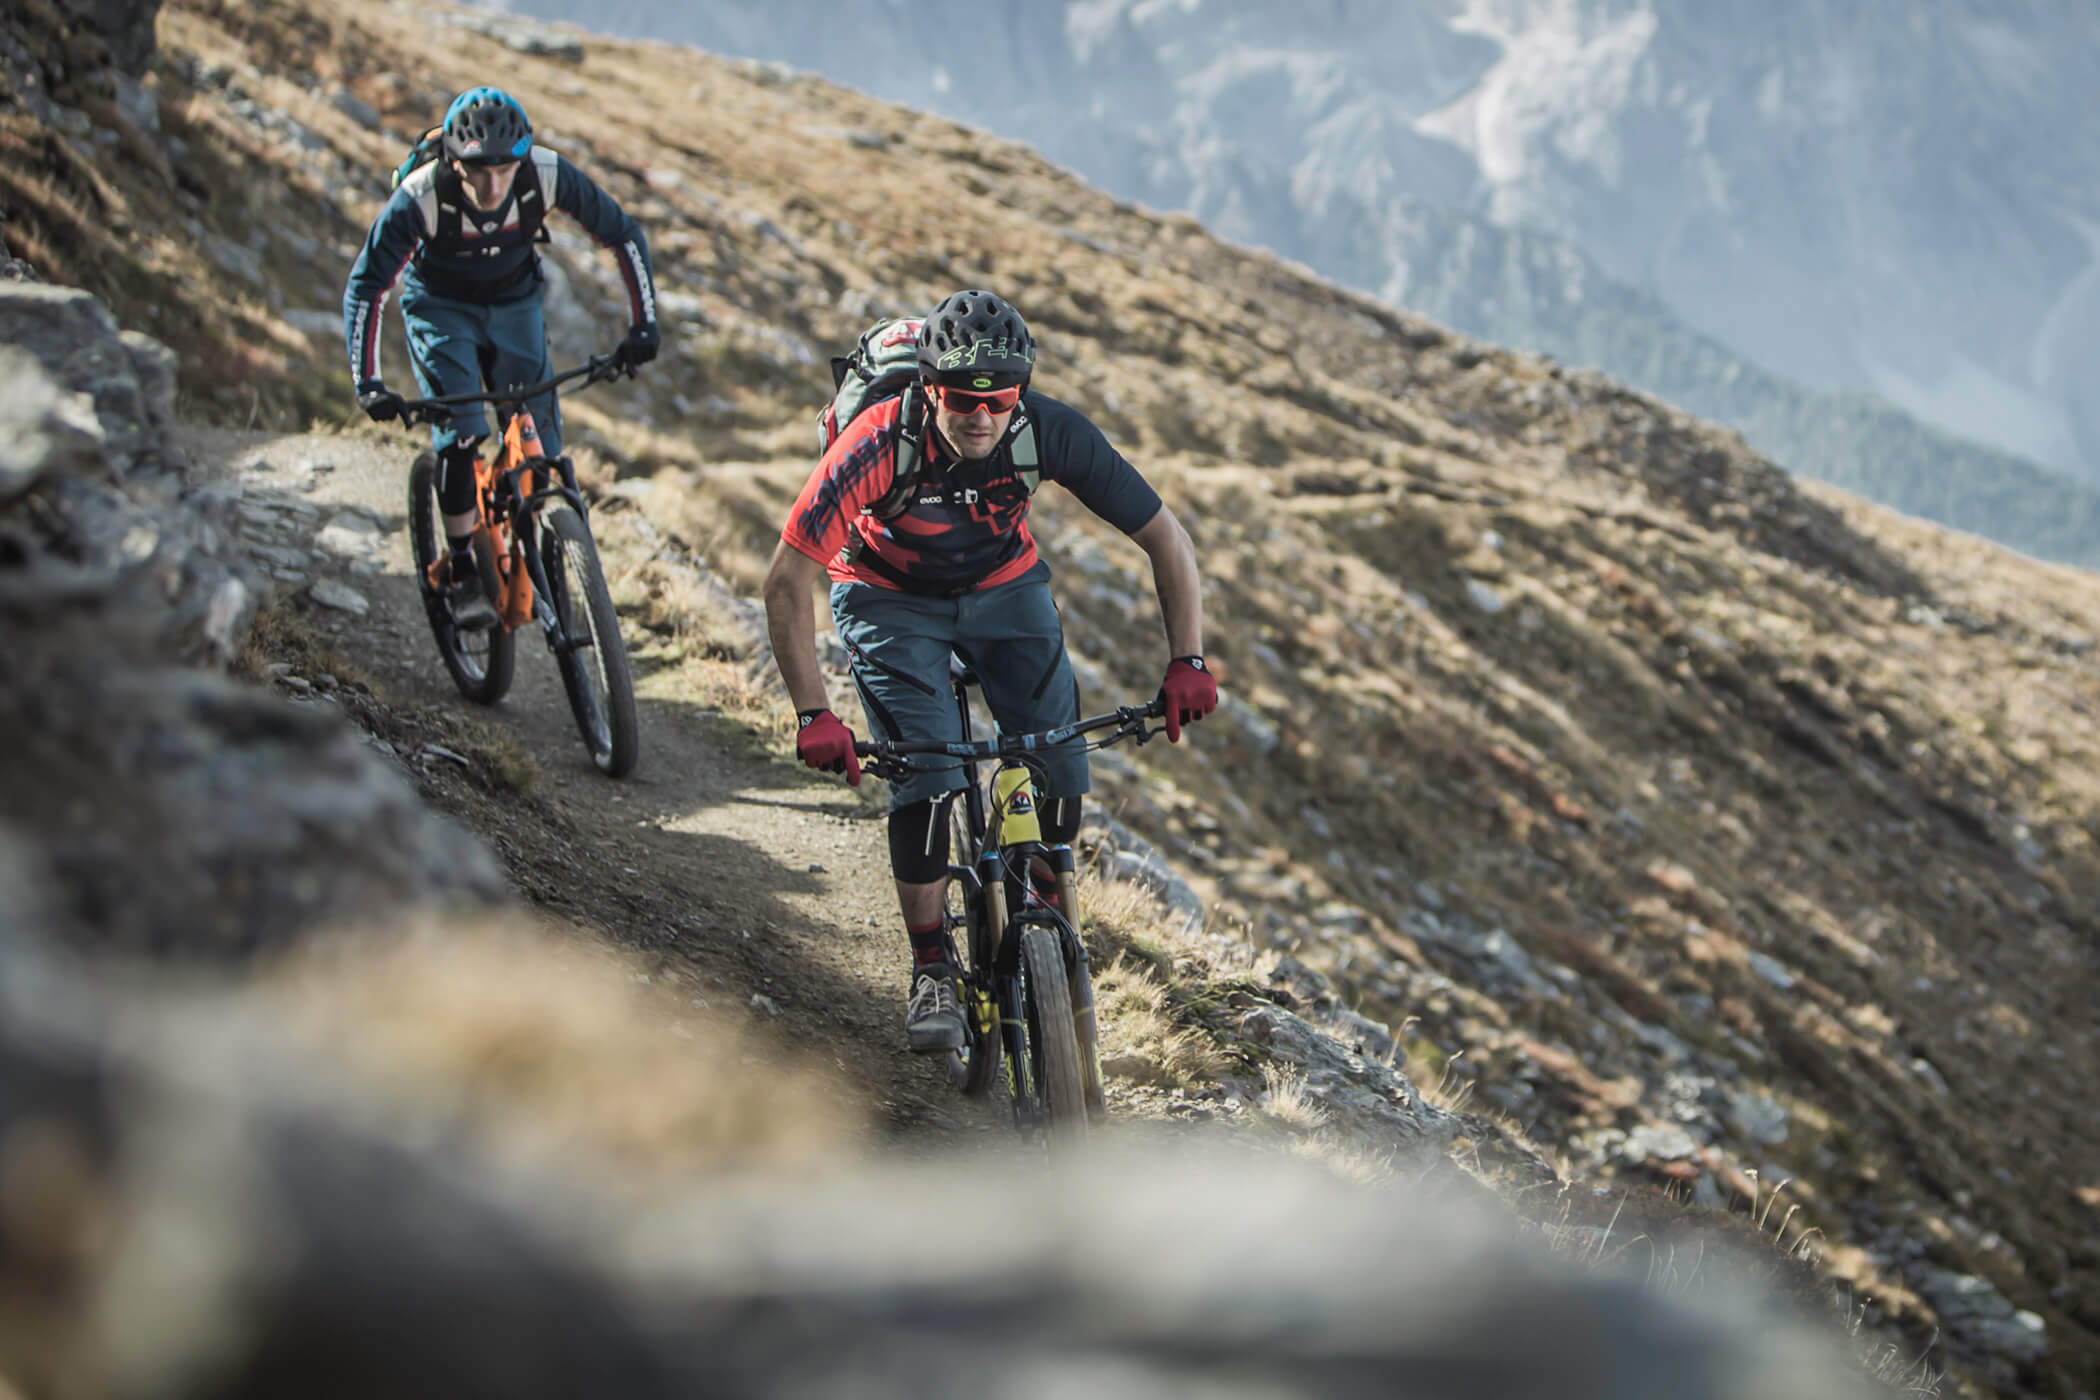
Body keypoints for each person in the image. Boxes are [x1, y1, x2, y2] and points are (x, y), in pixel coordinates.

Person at [762, 289, 1218, 1052]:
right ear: (928, 388)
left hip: (1003, 588)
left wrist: (1189, 660)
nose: (980, 416)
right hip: (885, 594)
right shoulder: (877, 443)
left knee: (1060, 767)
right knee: (932, 780)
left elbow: (1166, 538)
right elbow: (786, 578)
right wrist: (814, 713)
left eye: (998, 402)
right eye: (959, 399)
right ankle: (933, 962)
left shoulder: (1050, 431)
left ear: (1021, 395)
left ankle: (1042, 906)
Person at [342, 86, 660, 628]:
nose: (493, 185)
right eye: (477, 171)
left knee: (542, 442)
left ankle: (554, 547)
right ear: (453, 162)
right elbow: (368, 285)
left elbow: (622, 234)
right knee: (462, 433)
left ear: (522, 157)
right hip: (440, 308)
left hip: (514, 303)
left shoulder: (546, 173)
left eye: (504, 171)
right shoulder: (421, 194)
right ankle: (463, 566)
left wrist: (644, 323)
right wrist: (367, 380)